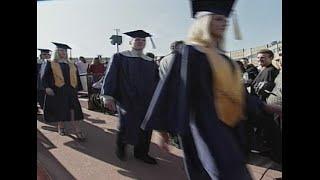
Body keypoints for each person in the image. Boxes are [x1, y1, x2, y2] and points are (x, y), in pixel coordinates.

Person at [141, 0, 282, 179]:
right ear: (203, 22)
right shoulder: (189, 53)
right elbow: (169, 91)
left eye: (225, 20)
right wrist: (162, 130)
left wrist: (266, 107)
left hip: (232, 126)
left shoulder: (225, 59)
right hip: (204, 127)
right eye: (217, 19)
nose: (224, 23)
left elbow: (239, 94)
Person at [101, 30, 159, 164]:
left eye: (143, 40)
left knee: (145, 127)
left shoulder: (150, 61)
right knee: (125, 125)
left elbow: (156, 81)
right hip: (126, 99)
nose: (140, 42)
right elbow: (110, 76)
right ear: (130, 42)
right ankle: (121, 148)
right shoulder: (119, 57)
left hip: (146, 100)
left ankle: (141, 153)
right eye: (137, 39)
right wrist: (108, 96)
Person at [42, 42, 85, 141]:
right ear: (56, 52)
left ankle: (77, 130)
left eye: (65, 51)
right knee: (60, 109)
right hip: (58, 90)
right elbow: (44, 76)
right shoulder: (50, 62)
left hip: (71, 90)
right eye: (61, 50)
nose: (63, 52)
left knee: (74, 110)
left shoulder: (71, 63)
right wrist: (47, 87)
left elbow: (76, 76)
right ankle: (61, 127)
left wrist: (78, 88)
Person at [37, 49, 52, 113]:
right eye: (44, 54)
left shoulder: (52, 64)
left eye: (47, 54)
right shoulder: (38, 63)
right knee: (41, 100)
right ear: (40, 55)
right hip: (39, 85)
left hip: (49, 85)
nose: (46, 55)